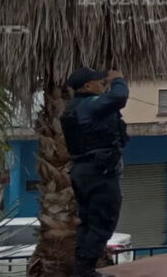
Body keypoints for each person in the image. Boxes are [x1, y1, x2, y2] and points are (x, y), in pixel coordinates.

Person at [60, 67, 129, 277]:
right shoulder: (88, 105)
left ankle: (82, 269)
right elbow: (118, 97)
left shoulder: (74, 108)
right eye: (100, 82)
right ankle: (85, 270)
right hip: (98, 173)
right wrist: (118, 79)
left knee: (88, 222)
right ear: (88, 86)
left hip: (83, 171)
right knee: (103, 221)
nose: (103, 85)